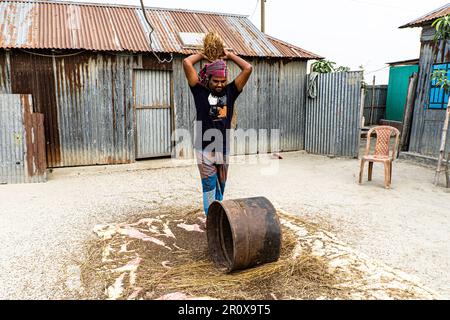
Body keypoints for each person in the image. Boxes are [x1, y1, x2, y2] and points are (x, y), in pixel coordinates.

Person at [183, 48, 252, 215]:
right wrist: (203, 54)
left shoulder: (231, 92)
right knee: (208, 185)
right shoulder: (199, 91)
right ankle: (211, 219)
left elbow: (248, 68)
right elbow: (186, 62)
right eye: (216, 81)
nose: (220, 84)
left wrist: (229, 55)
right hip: (203, 147)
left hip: (223, 147)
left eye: (223, 81)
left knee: (221, 184)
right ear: (208, 79)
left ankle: (219, 216)